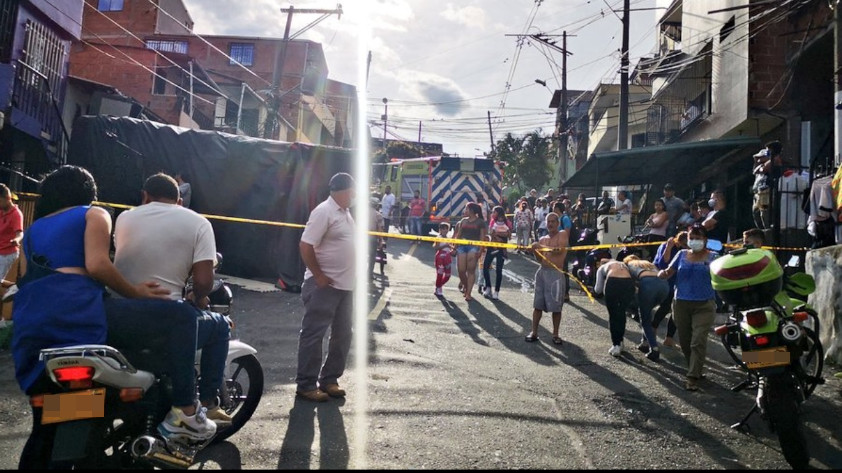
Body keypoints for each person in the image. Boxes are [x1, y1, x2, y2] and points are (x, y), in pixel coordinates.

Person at [12, 166, 214, 469]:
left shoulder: (33, 230)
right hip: (81, 315)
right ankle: (186, 412)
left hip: (36, 330)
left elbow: (24, 281)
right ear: (88, 193)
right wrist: (135, 292)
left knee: (43, 427)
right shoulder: (93, 214)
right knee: (182, 317)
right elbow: (97, 265)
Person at [111, 172, 232, 425]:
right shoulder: (198, 222)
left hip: (120, 315)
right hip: (167, 320)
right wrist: (198, 299)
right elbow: (202, 282)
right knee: (220, 326)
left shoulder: (124, 218)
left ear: (145, 196)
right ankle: (207, 405)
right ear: (180, 201)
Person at [296, 172, 356, 402]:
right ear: (345, 191)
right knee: (314, 334)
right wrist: (319, 275)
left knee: (342, 334)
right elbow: (305, 244)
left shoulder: (345, 212)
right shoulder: (324, 211)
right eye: (353, 191)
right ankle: (306, 385)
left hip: (344, 286)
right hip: (324, 286)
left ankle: (329, 379)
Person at [657, 225, 717, 391]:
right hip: (681, 303)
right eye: (692, 238)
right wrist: (663, 274)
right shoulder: (681, 254)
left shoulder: (713, 257)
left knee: (698, 340)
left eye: (698, 238)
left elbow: (722, 276)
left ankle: (692, 377)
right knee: (685, 341)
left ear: (705, 240)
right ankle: (696, 367)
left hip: (704, 304)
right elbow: (670, 271)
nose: (694, 241)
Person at [525, 212, 568, 345]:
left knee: (556, 306)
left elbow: (559, 250)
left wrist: (540, 247)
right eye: (548, 221)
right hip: (542, 272)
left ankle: (555, 334)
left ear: (557, 223)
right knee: (537, 305)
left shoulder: (562, 234)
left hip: (556, 274)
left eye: (552, 221)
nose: (550, 224)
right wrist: (535, 251)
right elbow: (540, 259)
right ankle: (534, 332)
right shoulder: (543, 238)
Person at [624, 255, 670, 362]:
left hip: (648, 285)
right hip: (664, 286)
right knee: (647, 311)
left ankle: (654, 348)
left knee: (644, 319)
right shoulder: (648, 263)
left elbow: (628, 283)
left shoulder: (629, 265)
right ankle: (644, 342)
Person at [651, 231, 688, 349]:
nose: (686, 247)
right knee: (666, 307)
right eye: (684, 244)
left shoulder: (686, 250)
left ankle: (669, 338)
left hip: (679, 283)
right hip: (666, 281)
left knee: (675, 311)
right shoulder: (668, 246)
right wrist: (668, 247)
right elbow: (663, 263)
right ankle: (653, 330)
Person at [593, 257, 634, 357]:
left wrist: (595, 292)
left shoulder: (602, 267)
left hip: (613, 282)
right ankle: (620, 341)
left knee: (613, 315)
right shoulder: (623, 265)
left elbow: (598, 289)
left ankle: (616, 344)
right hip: (628, 283)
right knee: (621, 313)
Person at [455, 202, 487, 302]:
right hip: (462, 247)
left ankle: (468, 293)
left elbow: (482, 237)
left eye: (467, 209)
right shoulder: (463, 221)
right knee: (461, 270)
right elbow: (458, 236)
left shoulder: (480, 222)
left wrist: (481, 250)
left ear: (472, 210)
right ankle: (465, 285)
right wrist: (454, 247)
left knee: (471, 270)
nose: (465, 211)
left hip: (474, 247)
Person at [751, 141, 783, 229]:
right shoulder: (769, 161)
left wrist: (763, 165)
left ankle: (768, 230)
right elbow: (756, 171)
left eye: (768, 151)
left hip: (768, 190)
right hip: (761, 191)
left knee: (765, 214)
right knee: (757, 213)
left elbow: (762, 169)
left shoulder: (776, 158)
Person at [482, 206, 512, 300]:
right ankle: (488, 287)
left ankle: (497, 291)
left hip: (502, 248)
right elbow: (491, 233)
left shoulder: (506, 222)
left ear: (499, 213)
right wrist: (496, 236)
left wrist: (498, 234)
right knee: (485, 266)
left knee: (499, 270)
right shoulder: (492, 222)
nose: (492, 213)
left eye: (494, 212)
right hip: (491, 247)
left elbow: (508, 234)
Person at [0, 184, 23, 282]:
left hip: (7, 253)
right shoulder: (1, 211)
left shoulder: (16, 214)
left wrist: (16, 240)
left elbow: (20, 233)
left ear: (8, 198)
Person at [433, 222, 454, 297]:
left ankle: (439, 286)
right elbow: (436, 248)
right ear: (440, 230)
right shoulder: (438, 237)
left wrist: (453, 249)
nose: (445, 230)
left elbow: (452, 248)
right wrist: (445, 245)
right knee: (440, 273)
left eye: (447, 229)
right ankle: (438, 288)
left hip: (447, 257)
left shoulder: (449, 238)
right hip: (440, 257)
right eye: (443, 229)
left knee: (448, 275)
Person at [368, 197, 385, 275]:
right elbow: (380, 229)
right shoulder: (378, 215)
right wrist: (381, 241)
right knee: (372, 257)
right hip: (372, 237)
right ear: (376, 206)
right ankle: (369, 274)